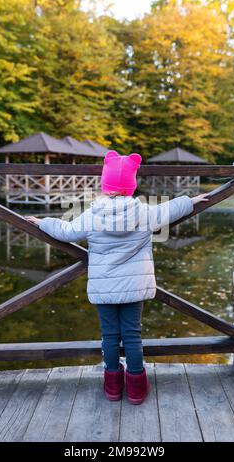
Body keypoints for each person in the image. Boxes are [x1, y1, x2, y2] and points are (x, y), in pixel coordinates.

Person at [26, 150, 208, 405]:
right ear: (130, 187)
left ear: (105, 184)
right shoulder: (144, 213)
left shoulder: (91, 215)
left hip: (104, 288)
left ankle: (112, 387)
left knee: (109, 336)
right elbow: (170, 209)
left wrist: (42, 222)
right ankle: (135, 388)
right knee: (132, 335)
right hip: (135, 286)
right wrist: (192, 200)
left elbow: (65, 231)